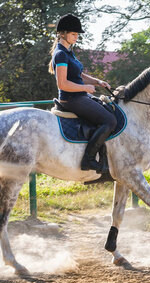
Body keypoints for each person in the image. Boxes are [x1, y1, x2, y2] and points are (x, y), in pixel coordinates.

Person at [49, 13, 117, 173]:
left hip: (80, 96)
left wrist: (97, 82)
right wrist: (85, 88)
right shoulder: (60, 54)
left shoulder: (68, 53)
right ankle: (88, 159)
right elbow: (63, 84)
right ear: (62, 33)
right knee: (109, 121)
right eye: (73, 34)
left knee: (109, 110)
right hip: (71, 99)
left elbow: (78, 75)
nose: (76, 37)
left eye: (77, 34)